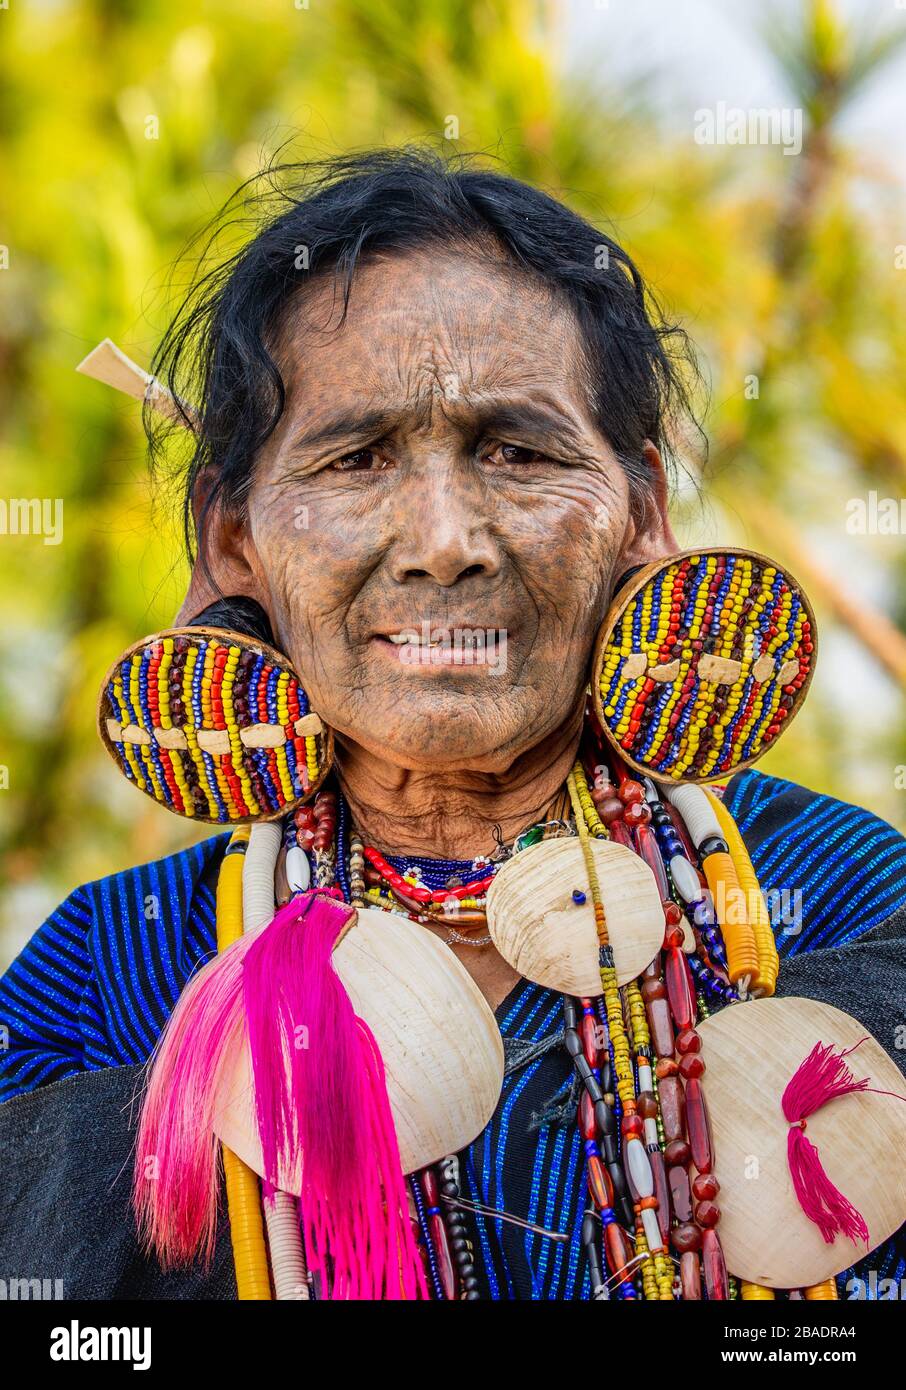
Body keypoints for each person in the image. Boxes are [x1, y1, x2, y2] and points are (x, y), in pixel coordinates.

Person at [1, 150, 903, 1302]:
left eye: (518, 452)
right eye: (355, 457)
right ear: (235, 539)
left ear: (640, 511)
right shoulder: (106, 968)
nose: (444, 542)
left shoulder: (836, 892)